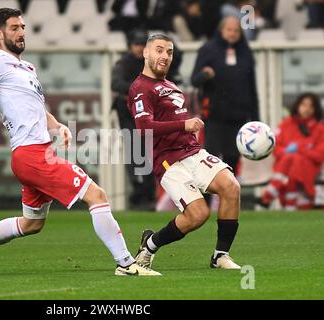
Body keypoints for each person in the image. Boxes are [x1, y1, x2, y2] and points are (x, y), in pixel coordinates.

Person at [0, 8, 160, 277]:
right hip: (31, 156)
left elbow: (34, 107)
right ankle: (126, 263)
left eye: (22, 27)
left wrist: (56, 125)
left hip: (36, 153)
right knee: (97, 195)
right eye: (14, 28)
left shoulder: (27, 68)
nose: (21, 32)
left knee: (31, 224)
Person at [127, 33, 242, 270]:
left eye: (169, 52)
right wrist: (184, 124)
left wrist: (187, 127)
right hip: (169, 161)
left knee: (231, 187)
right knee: (198, 215)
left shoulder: (170, 85)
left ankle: (220, 256)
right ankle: (150, 244)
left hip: (192, 152)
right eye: (159, 50)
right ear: (146, 53)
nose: (165, 56)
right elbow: (143, 127)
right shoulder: (140, 87)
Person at [111, 29, 182, 210]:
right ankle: (139, 192)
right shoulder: (124, 63)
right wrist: (141, 89)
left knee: (150, 153)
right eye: (136, 44)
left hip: (151, 115)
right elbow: (116, 83)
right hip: (128, 115)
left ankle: (148, 194)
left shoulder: (154, 62)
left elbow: (177, 55)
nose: (139, 48)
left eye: (143, 44)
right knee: (135, 153)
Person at [191, 16, 259, 174]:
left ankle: (228, 198)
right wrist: (205, 75)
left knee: (232, 161)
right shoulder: (208, 49)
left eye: (236, 30)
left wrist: (255, 120)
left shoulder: (245, 52)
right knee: (210, 161)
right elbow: (195, 80)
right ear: (221, 30)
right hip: (214, 115)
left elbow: (252, 88)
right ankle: (206, 199)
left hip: (238, 117)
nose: (233, 34)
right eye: (229, 29)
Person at [259, 93, 324, 210]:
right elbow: (276, 149)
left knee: (293, 160)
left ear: (316, 109)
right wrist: (288, 152)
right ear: (298, 106)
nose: (307, 109)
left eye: (311, 106)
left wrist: (299, 148)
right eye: (304, 105)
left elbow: (319, 156)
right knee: (292, 161)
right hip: (287, 170)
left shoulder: (320, 129)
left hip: (309, 170)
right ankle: (290, 205)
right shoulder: (286, 124)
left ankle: (271, 192)